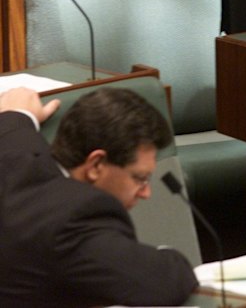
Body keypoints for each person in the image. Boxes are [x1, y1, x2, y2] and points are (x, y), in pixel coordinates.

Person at [0, 85, 196, 307]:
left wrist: (19, 115)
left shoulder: (15, 156)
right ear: (96, 165)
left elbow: (13, 132)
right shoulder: (74, 220)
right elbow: (162, 282)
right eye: (139, 178)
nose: (146, 193)